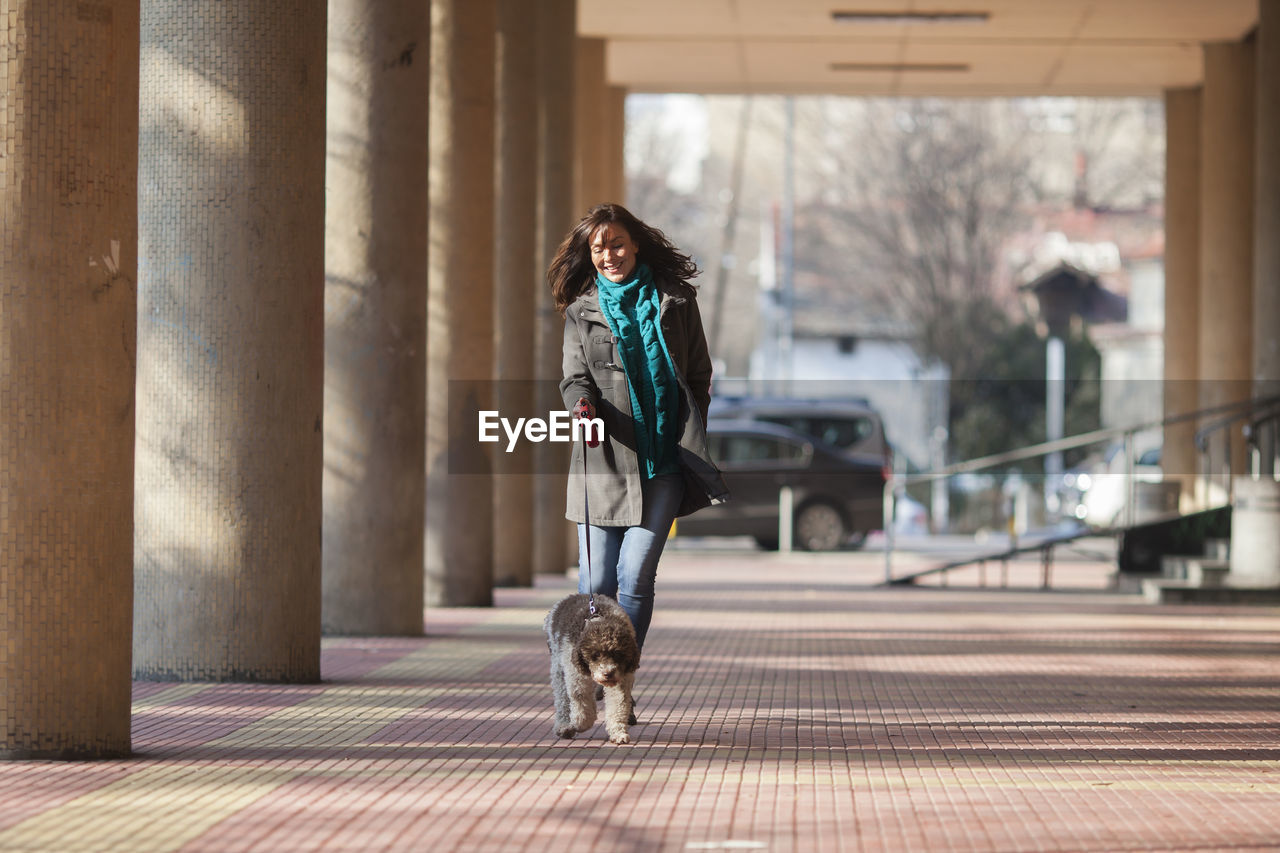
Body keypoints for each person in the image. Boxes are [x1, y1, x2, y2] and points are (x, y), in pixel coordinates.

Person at [550, 203, 728, 654]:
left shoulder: (678, 301)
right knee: (597, 581)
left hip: (663, 463)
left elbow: (699, 372)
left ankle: (619, 676)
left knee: (635, 575)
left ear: (635, 245)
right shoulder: (580, 312)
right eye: (598, 248)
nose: (608, 255)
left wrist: (690, 422)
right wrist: (583, 407)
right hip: (603, 462)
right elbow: (574, 379)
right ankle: (589, 662)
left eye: (616, 244)